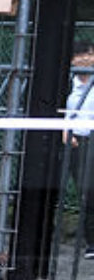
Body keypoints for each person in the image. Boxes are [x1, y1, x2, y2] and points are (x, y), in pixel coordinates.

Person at [65, 47, 94, 259]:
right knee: (86, 190)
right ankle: (91, 242)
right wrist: (66, 132)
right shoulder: (67, 84)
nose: (85, 59)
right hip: (78, 141)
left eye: (89, 54)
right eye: (80, 55)